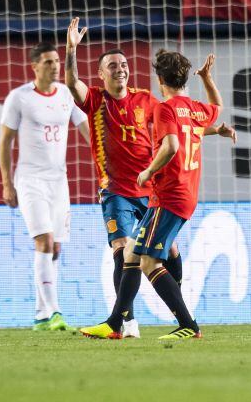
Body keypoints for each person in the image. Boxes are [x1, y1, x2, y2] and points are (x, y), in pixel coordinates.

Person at [80, 50, 236, 340]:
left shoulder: (164, 108)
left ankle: (188, 324)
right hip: (183, 194)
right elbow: (217, 106)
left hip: (167, 194)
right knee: (130, 253)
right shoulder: (193, 109)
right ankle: (116, 323)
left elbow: (172, 146)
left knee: (150, 262)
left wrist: (148, 171)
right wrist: (208, 79)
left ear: (160, 79)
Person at [64, 18, 184, 338]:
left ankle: (179, 308)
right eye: (112, 65)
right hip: (115, 190)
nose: (120, 68)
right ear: (101, 74)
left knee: (169, 251)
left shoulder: (146, 100)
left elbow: (171, 124)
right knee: (122, 248)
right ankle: (125, 320)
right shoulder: (94, 100)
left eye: (124, 64)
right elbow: (71, 82)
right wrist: (71, 50)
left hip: (152, 190)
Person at [0, 42, 90, 332]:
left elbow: (87, 128)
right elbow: (5, 142)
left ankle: (40, 314)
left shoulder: (66, 94)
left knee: (56, 248)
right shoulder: (20, 98)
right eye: (49, 61)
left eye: (56, 61)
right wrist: (7, 183)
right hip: (30, 180)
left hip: (58, 181)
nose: (54, 66)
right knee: (44, 242)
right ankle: (54, 312)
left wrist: (105, 159)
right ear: (35, 66)